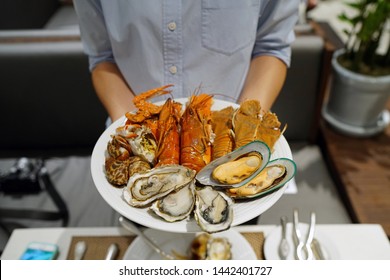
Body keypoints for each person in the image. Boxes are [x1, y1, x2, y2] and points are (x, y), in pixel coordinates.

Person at [73, 1, 300, 123]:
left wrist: (244, 128)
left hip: (229, 136)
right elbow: (102, 56)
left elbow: (271, 46)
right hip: (137, 132)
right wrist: (129, 128)